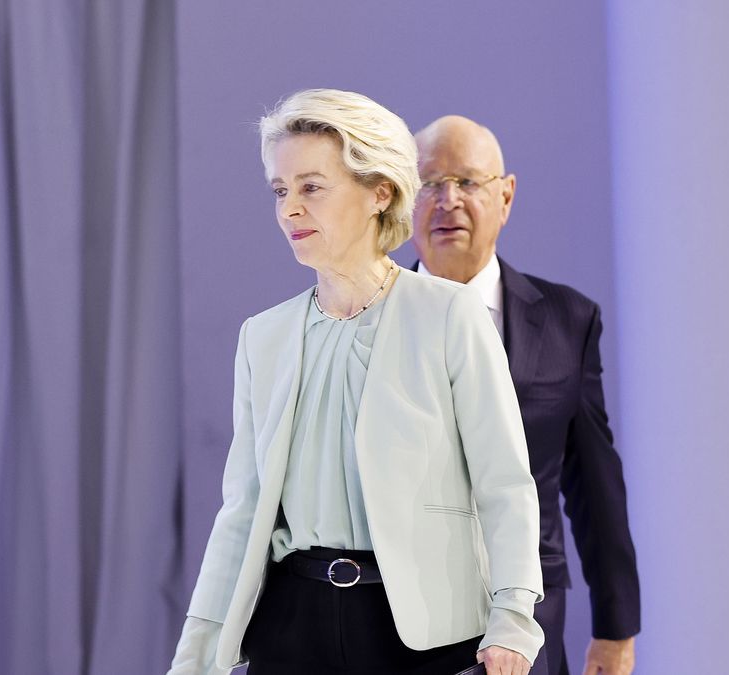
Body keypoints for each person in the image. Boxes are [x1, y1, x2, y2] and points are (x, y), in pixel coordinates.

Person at [167, 90, 548, 675]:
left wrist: (514, 622)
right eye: (280, 189)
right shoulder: (261, 338)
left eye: (311, 187)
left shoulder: (449, 316)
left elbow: (504, 483)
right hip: (289, 626)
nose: (290, 209)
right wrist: (196, 656)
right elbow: (240, 514)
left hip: (420, 634)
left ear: (381, 192)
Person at [410, 116, 641, 675]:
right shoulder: (365, 321)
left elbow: (593, 483)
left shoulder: (567, 321)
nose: (448, 201)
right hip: (399, 615)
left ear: (505, 195)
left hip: (527, 621)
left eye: (467, 182)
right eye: (430, 185)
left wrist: (615, 629)